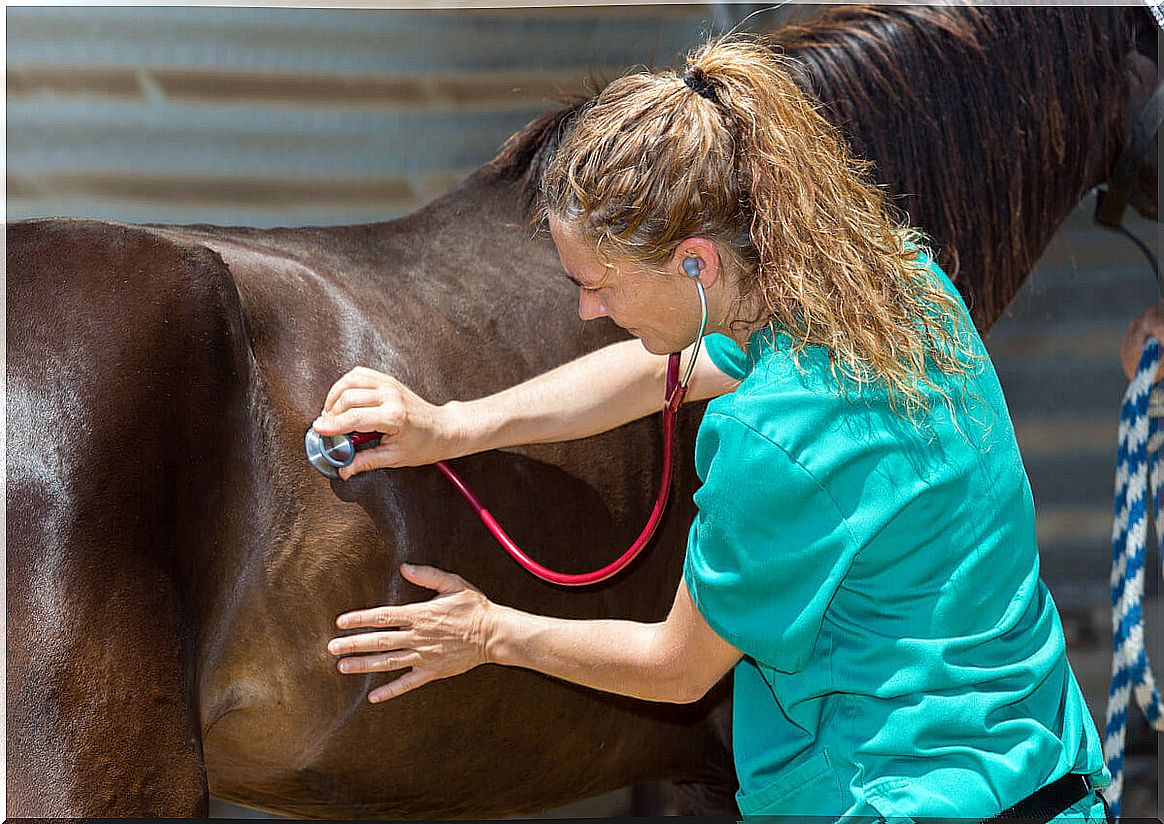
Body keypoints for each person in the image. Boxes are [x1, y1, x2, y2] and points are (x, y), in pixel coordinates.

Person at [313, 36, 1112, 822]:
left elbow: (676, 668)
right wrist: (453, 425)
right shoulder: (892, 278)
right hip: (1048, 768)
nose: (590, 313)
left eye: (599, 286)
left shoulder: (772, 439)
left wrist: (487, 633)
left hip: (907, 794)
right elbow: (679, 365)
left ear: (696, 262)